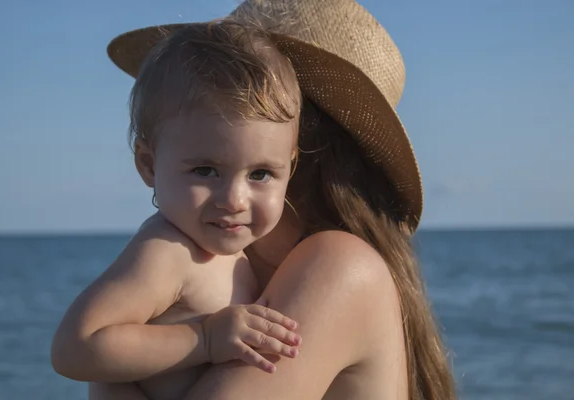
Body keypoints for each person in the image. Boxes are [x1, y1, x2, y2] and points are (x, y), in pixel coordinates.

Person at [91, 0, 458, 399]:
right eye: (205, 167)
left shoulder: (339, 267)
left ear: (300, 149)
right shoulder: (230, 273)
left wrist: (110, 378)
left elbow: (85, 354)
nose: (232, 196)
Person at [50, 19, 308, 400]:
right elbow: (74, 347)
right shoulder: (168, 252)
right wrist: (203, 339)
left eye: (261, 174)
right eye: (205, 170)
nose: (234, 199)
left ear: (292, 167)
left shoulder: (236, 252)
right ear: (149, 165)